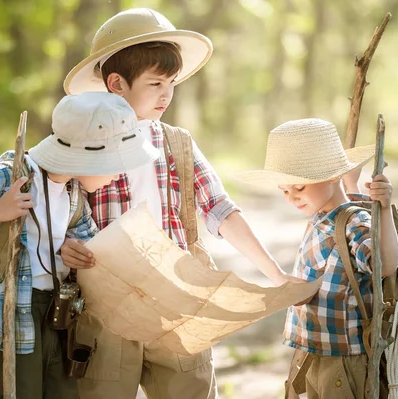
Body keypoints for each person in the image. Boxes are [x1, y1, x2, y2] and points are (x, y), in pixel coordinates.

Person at [59, 8, 305, 399]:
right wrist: (65, 245)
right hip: (103, 307)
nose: (166, 94)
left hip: (176, 303)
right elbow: (58, 215)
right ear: (116, 83)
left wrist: (274, 275)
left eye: (172, 82)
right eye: (155, 83)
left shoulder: (176, 144)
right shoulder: (83, 144)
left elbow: (222, 211)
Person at [0, 92, 159, 399]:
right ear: (87, 156)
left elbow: (89, 243)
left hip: (57, 320)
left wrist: (72, 251)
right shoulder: (10, 177)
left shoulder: (74, 195)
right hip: (11, 322)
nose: (118, 174)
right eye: (114, 163)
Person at [236, 118, 398, 398]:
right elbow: (344, 200)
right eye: (285, 191)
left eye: (299, 188)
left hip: (344, 357)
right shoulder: (323, 214)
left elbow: (384, 265)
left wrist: (383, 210)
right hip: (314, 349)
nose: (292, 198)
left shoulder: (354, 222)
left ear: (331, 175)